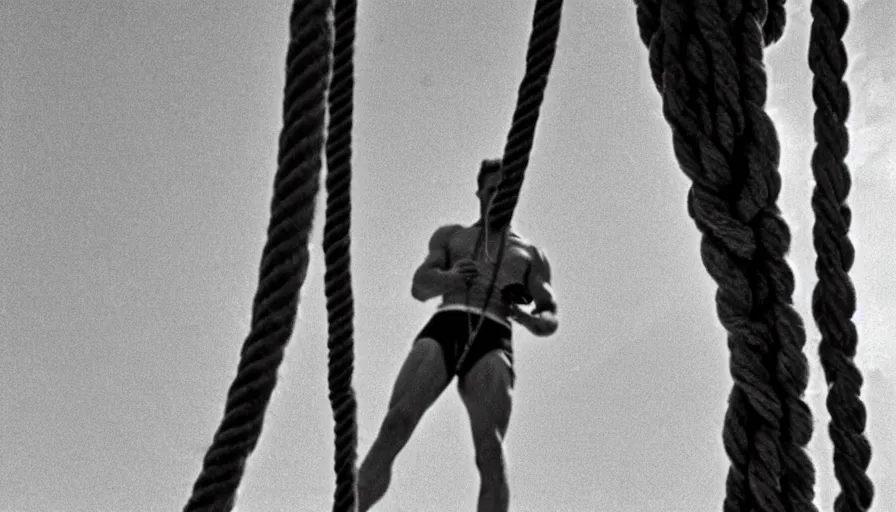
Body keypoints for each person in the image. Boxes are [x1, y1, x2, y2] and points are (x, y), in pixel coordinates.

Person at [357, 158, 560, 512]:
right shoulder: (452, 237)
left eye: (503, 190)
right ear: (479, 193)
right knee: (396, 424)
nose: (496, 195)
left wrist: (528, 318)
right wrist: (449, 279)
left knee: (491, 451)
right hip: (448, 323)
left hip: (494, 332)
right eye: (490, 188)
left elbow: (550, 313)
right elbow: (419, 287)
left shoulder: (529, 254)